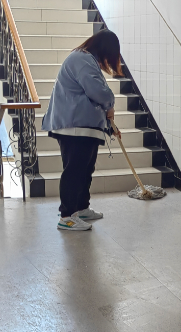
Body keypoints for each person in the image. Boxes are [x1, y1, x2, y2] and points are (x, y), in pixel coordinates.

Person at [42, 29, 121, 232]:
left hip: (83, 127)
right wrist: (110, 104)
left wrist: (108, 122)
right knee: (75, 172)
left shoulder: (87, 60)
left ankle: (80, 208)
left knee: (85, 170)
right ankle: (67, 216)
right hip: (74, 127)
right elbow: (97, 91)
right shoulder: (82, 59)